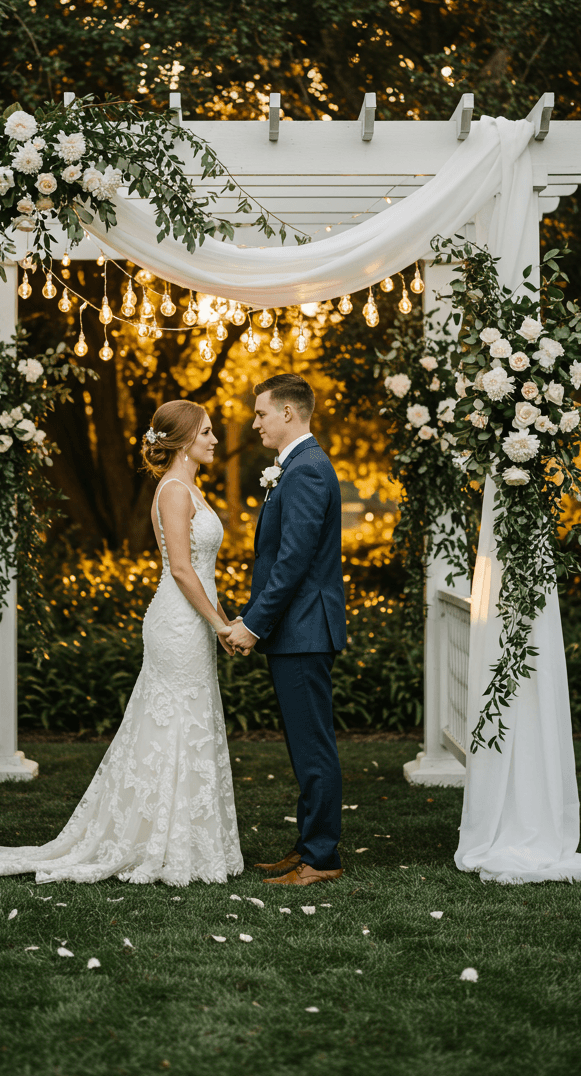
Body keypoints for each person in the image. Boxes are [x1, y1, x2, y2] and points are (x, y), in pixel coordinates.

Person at [0, 400, 243, 886]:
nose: (214, 439)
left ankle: (181, 838)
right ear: (182, 440)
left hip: (194, 621)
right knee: (172, 721)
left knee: (190, 720)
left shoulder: (191, 489)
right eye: (206, 431)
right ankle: (153, 840)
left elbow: (205, 574)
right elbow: (180, 569)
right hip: (176, 623)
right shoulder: (175, 491)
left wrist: (222, 622)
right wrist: (218, 626)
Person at [225, 374, 347, 887]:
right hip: (298, 630)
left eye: (260, 414)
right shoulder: (297, 466)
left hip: (303, 630)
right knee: (305, 746)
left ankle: (321, 858)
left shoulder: (307, 471)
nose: (255, 423)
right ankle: (307, 848)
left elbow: (293, 561)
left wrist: (253, 625)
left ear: (289, 414)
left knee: (313, 746)